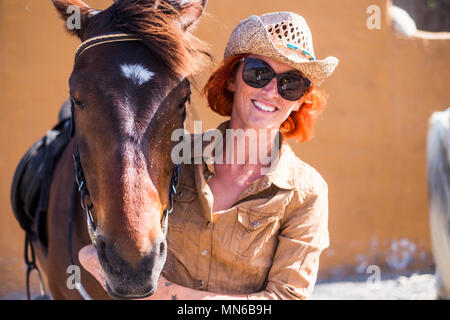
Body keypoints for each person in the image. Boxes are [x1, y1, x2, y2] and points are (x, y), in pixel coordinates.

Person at [80, 11, 339, 300]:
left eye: (291, 83)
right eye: (258, 72)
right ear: (230, 79)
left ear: (301, 99)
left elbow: (286, 298)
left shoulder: (306, 193)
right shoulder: (174, 157)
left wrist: (158, 293)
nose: (271, 90)